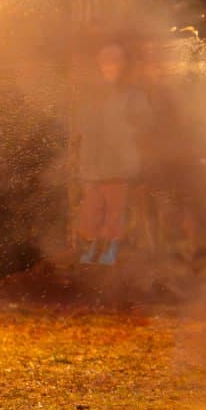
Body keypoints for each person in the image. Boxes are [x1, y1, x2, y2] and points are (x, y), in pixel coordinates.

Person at [74, 43, 151, 266]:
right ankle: (90, 250)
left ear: (122, 66)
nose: (109, 67)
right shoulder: (91, 94)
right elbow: (81, 126)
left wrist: (128, 134)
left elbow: (145, 124)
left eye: (114, 62)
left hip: (119, 163)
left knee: (115, 211)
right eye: (105, 63)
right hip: (92, 164)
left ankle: (110, 251)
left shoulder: (133, 94)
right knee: (91, 209)